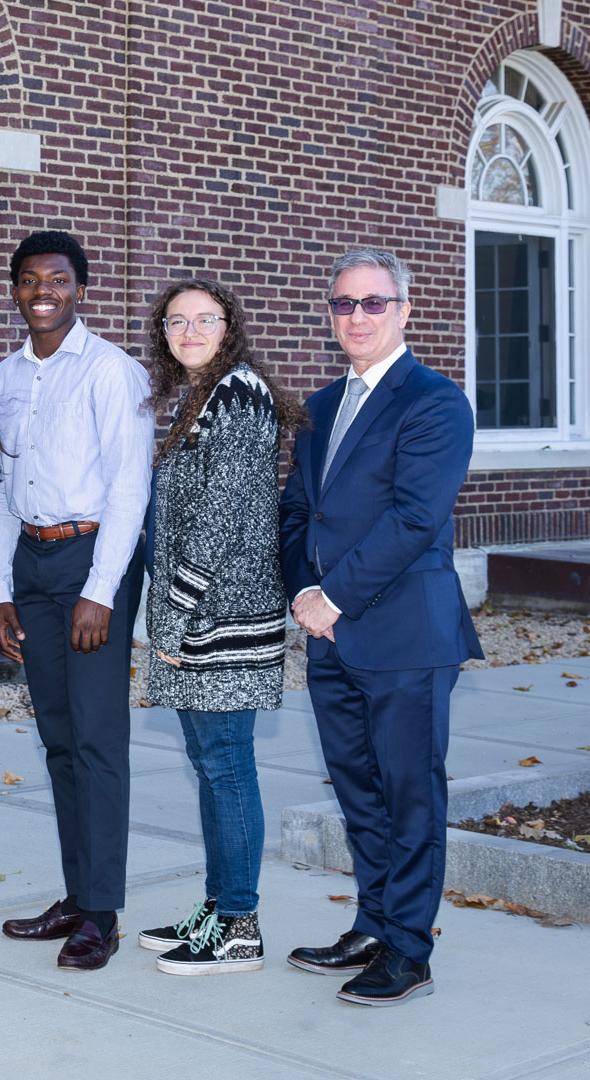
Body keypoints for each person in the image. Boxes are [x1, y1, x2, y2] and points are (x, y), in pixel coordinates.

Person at [279, 249, 481, 1006]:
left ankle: (409, 950)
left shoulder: (435, 401)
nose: (356, 316)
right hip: (331, 634)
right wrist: (304, 589)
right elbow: (300, 511)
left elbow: (414, 518)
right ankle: (373, 921)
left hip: (404, 635)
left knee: (408, 793)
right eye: (343, 304)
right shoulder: (322, 406)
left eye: (372, 302)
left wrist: (333, 596)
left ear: (404, 309)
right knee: (359, 791)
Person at [0, 230, 150, 971]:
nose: (42, 290)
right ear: (14, 291)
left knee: (97, 741)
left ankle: (103, 914)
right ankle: (77, 896)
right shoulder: (1, 381)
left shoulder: (114, 372)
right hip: (31, 563)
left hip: (91, 562)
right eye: (28, 279)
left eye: (57, 278)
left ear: (80, 288)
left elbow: (129, 487)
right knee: (57, 740)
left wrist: (102, 590)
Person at [132, 279, 307, 975]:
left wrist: (172, 610)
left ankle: (239, 927)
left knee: (228, 767)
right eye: (176, 321)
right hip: (206, 613)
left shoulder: (237, 393)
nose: (189, 330)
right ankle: (219, 906)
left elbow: (223, 516)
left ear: (228, 325)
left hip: (221, 617)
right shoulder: (202, 395)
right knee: (211, 766)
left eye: (205, 319)